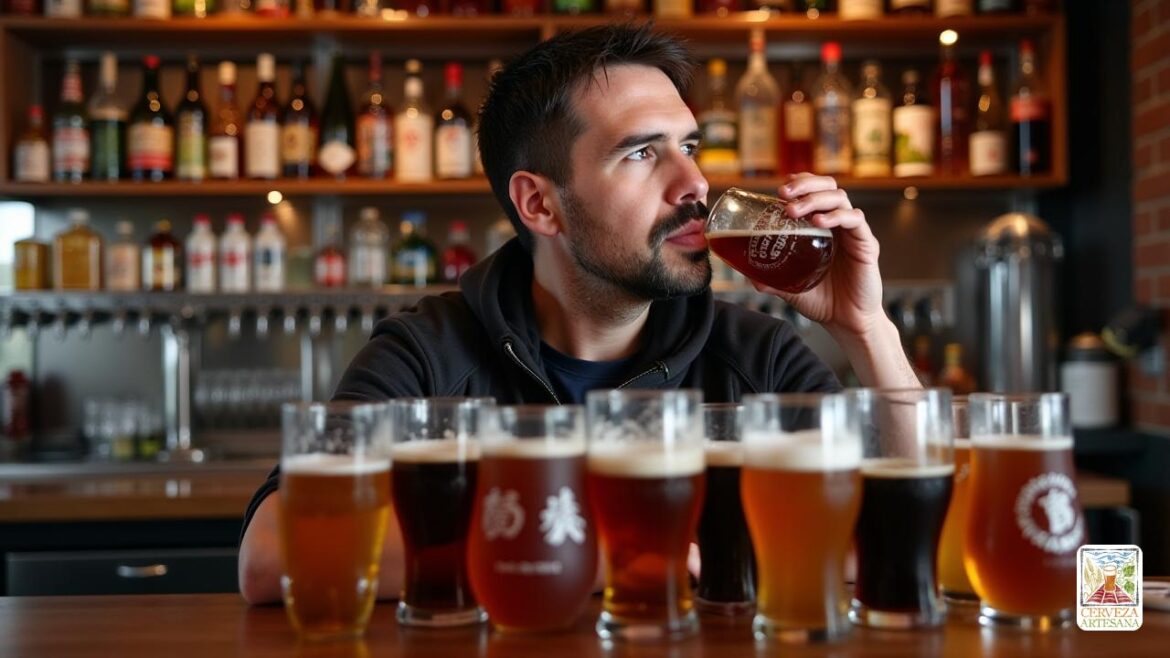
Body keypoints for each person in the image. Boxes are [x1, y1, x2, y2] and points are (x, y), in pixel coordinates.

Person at [238, 24, 920, 604]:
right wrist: (604, 553)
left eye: (689, 147)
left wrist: (867, 329)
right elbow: (271, 553)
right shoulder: (429, 350)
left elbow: (903, 536)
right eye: (642, 153)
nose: (694, 186)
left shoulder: (754, 354)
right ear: (540, 205)